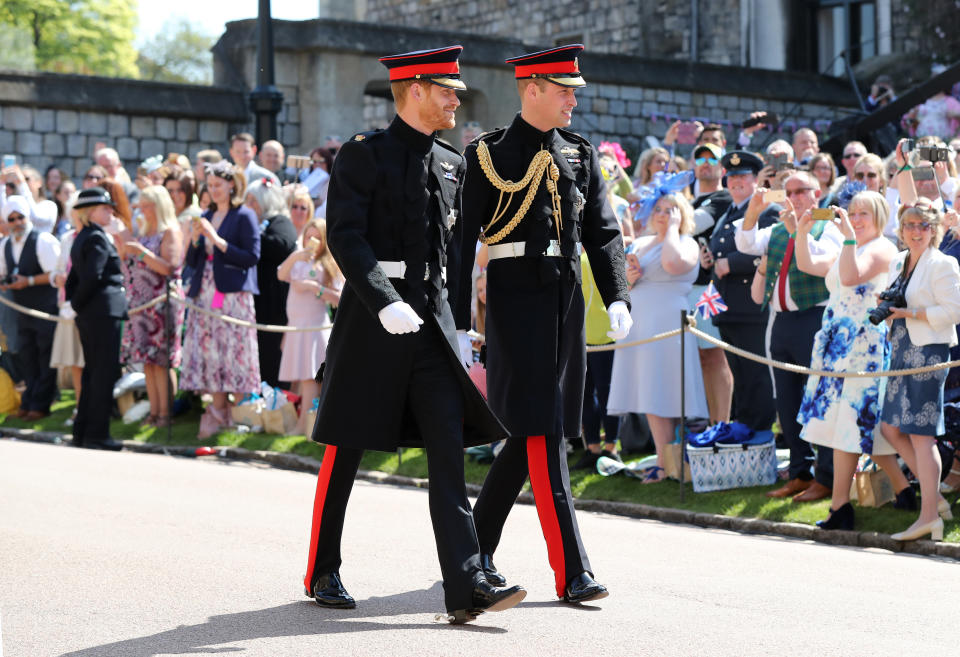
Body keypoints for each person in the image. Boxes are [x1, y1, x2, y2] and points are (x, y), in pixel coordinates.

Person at [303, 46, 525, 624]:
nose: (456, 98)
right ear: (416, 91)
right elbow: (346, 238)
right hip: (375, 320)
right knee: (345, 447)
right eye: (447, 89)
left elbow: (453, 257)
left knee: (448, 453)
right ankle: (324, 566)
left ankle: (467, 582)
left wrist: (460, 329)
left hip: (430, 327)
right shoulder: (362, 156)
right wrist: (383, 299)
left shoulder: (452, 163)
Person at [458, 44, 632, 604]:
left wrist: (617, 295)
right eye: (563, 90)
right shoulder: (487, 155)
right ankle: (572, 570)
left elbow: (603, 231)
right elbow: (461, 246)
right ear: (529, 88)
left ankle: (474, 546)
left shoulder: (579, 152)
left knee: (533, 428)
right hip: (516, 300)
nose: (573, 100)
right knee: (545, 429)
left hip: (566, 301)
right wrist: (460, 321)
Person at [795, 191, 911, 530]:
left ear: (879, 216)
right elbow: (807, 265)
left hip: (864, 350)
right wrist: (801, 231)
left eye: (864, 214)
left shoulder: (882, 248)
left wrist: (846, 237)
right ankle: (904, 490)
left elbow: (849, 277)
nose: (856, 219)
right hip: (836, 347)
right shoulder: (853, 246)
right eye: (852, 213)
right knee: (854, 425)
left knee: (848, 426)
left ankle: (840, 507)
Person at [736, 169, 844, 502]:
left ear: (817, 193)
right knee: (787, 401)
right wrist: (753, 209)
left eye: (802, 192)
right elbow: (746, 243)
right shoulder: (778, 227)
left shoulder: (831, 227)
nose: (795, 198)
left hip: (815, 317)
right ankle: (800, 472)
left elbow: (822, 261)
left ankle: (825, 477)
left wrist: (797, 229)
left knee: (819, 400)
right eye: (789, 192)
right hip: (781, 321)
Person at [607, 190, 708, 482]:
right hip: (641, 322)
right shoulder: (640, 242)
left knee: (669, 390)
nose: (663, 215)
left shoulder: (687, 243)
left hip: (669, 322)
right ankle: (664, 462)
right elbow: (623, 280)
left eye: (670, 210)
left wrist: (674, 230)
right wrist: (630, 278)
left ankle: (674, 462)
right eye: (660, 209)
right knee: (650, 391)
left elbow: (674, 265)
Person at [879, 199, 960, 541]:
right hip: (901, 350)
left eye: (923, 226)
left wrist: (909, 314)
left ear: (934, 230)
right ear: (900, 230)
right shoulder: (899, 261)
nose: (916, 231)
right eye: (909, 225)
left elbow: (953, 311)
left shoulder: (943, 264)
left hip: (929, 353)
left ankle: (929, 516)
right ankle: (936, 500)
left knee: (921, 435)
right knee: (890, 430)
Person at [181, 161, 261, 439]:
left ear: (231, 185)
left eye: (218, 185)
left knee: (235, 349)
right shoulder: (204, 214)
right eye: (210, 185)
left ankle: (240, 412)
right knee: (212, 349)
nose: (213, 190)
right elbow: (192, 261)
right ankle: (216, 409)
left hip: (233, 293)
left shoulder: (244, 215)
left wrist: (216, 239)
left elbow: (252, 256)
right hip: (206, 291)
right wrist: (194, 240)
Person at [702, 151, 777, 434]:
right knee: (740, 373)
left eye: (743, 176)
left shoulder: (767, 209)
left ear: (756, 179)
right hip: (727, 306)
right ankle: (744, 427)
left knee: (756, 373)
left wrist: (730, 263)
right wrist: (711, 261)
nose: (737, 182)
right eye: (732, 177)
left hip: (751, 305)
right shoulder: (729, 212)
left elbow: (770, 250)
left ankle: (759, 430)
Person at [65, 187, 129, 450]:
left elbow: (73, 281)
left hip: (94, 312)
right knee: (102, 374)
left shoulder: (83, 237)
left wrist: (77, 304)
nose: (110, 211)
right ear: (91, 212)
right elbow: (92, 276)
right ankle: (97, 434)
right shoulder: (97, 238)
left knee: (93, 373)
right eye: (105, 208)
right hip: (103, 311)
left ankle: (83, 431)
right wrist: (79, 303)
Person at [118, 185, 184, 426]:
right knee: (147, 360)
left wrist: (142, 252)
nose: (143, 211)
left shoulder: (170, 231)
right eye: (142, 206)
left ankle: (166, 414)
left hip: (163, 302)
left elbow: (170, 267)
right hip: (143, 304)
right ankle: (154, 412)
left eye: (148, 206)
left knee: (163, 360)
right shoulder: (145, 231)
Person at [276, 218, 342, 435]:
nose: (311, 240)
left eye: (316, 236)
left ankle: (305, 425)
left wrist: (315, 288)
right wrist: (296, 254)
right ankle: (305, 423)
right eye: (308, 235)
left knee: (310, 376)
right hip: (297, 325)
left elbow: (340, 297)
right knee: (303, 376)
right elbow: (281, 274)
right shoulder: (298, 260)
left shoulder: (328, 263)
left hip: (314, 327)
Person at [0, 195, 60, 419]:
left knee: (45, 355)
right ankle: (29, 400)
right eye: (12, 219)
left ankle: (41, 404)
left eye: (20, 217)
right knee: (28, 356)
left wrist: (29, 281)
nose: (17, 222)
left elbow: (55, 274)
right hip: (21, 310)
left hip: (45, 308)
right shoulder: (6, 244)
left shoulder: (42, 240)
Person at [689, 142, 734, 423]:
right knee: (702, 359)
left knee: (714, 355)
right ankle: (710, 422)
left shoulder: (723, 197)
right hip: (688, 287)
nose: (705, 163)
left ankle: (722, 422)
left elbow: (690, 224)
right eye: (700, 158)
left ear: (722, 167)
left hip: (709, 289)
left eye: (712, 158)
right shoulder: (689, 199)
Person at [245, 179, 298, 389]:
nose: (249, 205)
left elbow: (282, 245)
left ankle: (276, 402)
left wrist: (254, 235)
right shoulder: (256, 225)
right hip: (260, 300)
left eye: (253, 201)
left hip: (275, 301)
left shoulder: (280, 222)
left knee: (272, 353)